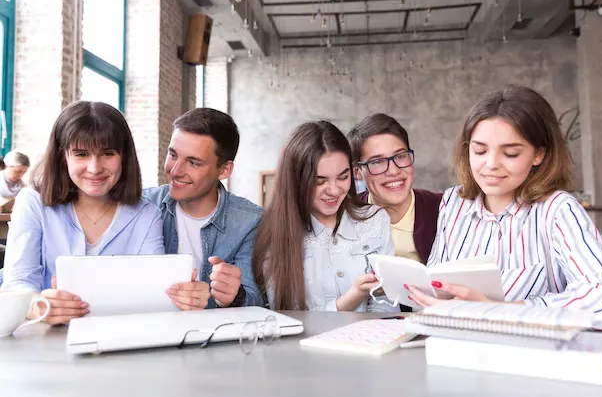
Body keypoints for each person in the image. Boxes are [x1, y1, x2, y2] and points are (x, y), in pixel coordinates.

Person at [405, 85, 602, 324]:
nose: (490, 164)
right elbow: (436, 285)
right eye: (479, 151)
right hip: (457, 347)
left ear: (538, 155)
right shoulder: (454, 203)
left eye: (510, 153)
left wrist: (500, 310)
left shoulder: (557, 211)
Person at [1, 101, 164, 325]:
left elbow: (153, 290)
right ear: (63, 157)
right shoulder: (32, 203)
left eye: (107, 153)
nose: (95, 168)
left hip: (122, 339)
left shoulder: (147, 214)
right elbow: (18, 281)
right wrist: (37, 306)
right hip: (44, 341)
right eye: (81, 154)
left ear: (124, 157)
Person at [253, 120, 396, 312]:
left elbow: (387, 305)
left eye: (343, 177)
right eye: (320, 181)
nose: (334, 190)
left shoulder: (375, 221)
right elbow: (287, 316)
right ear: (296, 181)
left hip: (368, 339)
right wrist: (350, 300)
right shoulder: (275, 234)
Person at [143, 108, 263, 310]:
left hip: (216, 337)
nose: (175, 171)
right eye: (173, 155)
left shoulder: (250, 221)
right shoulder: (143, 205)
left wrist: (236, 296)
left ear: (224, 170)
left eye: (193, 162)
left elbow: (259, 303)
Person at [347, 114, 442, 263]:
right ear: (357, 172)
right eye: (378, 161)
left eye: (400, 156)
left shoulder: (443, 209)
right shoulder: (346, 216)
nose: (393, 171)